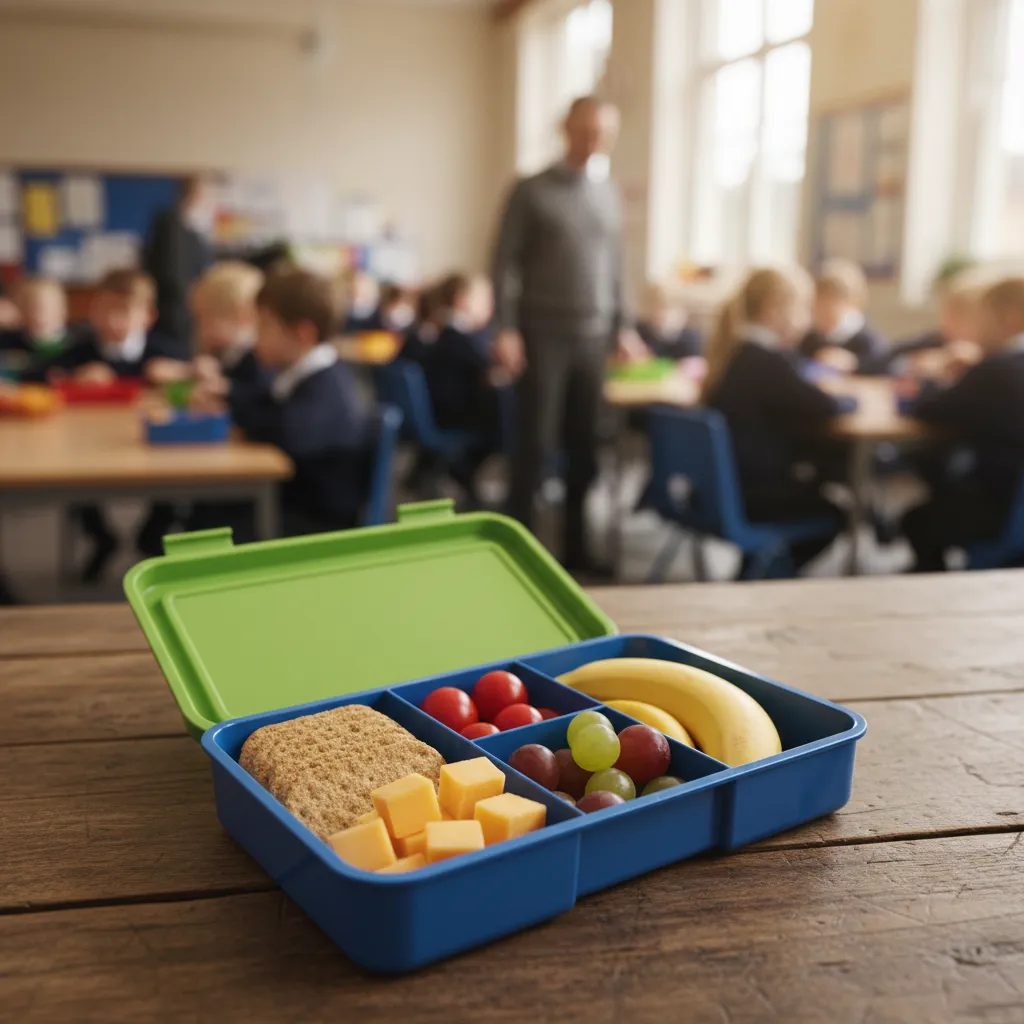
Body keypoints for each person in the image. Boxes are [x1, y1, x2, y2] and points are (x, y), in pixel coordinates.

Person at [492, 95, 646, 574]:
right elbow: (502, 264)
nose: (594, 141)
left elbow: (616, 266)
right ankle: (519, 553)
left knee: (586, 448)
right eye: (586, 130)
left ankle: (577, 550)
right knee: (534, 446)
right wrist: (506, 328)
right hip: (542, 333)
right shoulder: (531, 190)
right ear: (567, 129)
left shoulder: (607, 193)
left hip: (594, 336)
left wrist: (625, 325)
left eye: (603, 134)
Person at [192, 268, 373, 535]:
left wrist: (236, 405)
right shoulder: (299, 374)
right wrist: (228, 395)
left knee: (211, 523)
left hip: (315, 521)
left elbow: (284, 429)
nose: (255, 337)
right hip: (294, 502)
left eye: (264, 325)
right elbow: (267, 405)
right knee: (207, 510)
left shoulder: (326, 384)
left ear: (303, 334)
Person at [704, 267, 847, 573]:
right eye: (801, 309)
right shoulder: (765, 361)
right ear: (774, 310)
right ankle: (773, 576)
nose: (806, 320)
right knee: (836, 513)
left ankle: (760, 568)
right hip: (754, 495)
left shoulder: (735, 352)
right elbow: (825, 406)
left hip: (722, 491)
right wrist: (850, 400)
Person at [55, 269, 188, 580]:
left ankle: (154, 534)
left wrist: (178, 374)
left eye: (124, 311)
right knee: (73, 475)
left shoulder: (166, 350)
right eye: (104, 310)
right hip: (92, 445)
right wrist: (74, 378)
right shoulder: (81, 351)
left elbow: (195, 382)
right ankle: (101, 536)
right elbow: (43, 374)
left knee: (175, 479)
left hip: (151, 446)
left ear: (148, 316)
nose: (113, 320)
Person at [902, 277, 1024, 571]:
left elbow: (927, 409)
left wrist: (930, 381)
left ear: (1010, 318)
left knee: (916, 521)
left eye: (981, 320)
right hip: (1012, 503)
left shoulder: (996, 369)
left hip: (1000, 506)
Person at [142, 174, 216, 353]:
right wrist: (194, 302)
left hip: (186, 311)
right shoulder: (171, 223)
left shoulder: (193, 227)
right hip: (176, 314)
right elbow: (174, 273)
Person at [798, 259, 887, 374]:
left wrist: (855, 364)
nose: (821, 318)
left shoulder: (869, 342)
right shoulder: (810, 338)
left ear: (853, 304)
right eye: (817, 311)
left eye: (828, 312)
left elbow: (883, 371)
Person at [0, 276, 73, 382]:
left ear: (63, 310)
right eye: (30, 307)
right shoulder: (8, 341)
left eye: (45, 308)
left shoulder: (78, 345)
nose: (37, 315)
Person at [637, 282, 703, 361]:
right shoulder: (640, 332)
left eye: (668, 307)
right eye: (655, 307)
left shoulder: (691, 336)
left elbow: (693, 364)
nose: (661, 314)